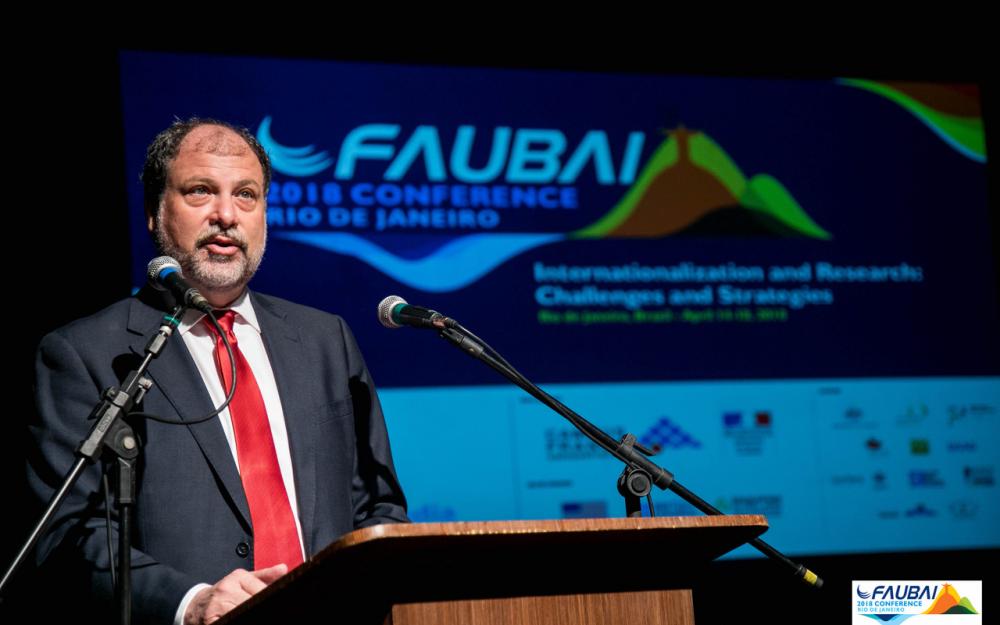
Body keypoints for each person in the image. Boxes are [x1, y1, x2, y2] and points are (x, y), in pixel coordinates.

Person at [27, 118, 408, 625]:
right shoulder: (84, 353)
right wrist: (191, 602)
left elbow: (378, 508)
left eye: (246, 195)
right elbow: (67, 537)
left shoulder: (325, 340)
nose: (226, 215)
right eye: (200, 191)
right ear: (153, 211)